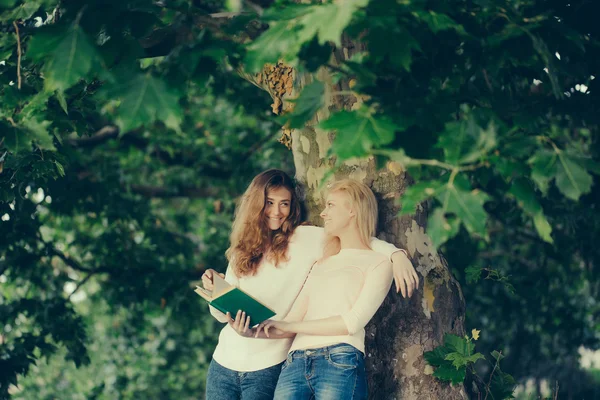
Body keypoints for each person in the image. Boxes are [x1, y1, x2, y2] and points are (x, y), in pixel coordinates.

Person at [201, 170, 418, 400]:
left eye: (284, 204)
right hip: (224, 361)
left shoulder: (305, 238)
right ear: (256, 204)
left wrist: (396, 255)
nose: (276, 212)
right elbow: (219, 314)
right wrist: (216, 289)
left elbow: (358, 238)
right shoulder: (242, 249)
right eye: (269, 203)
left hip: (269, 363)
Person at [256, 179, 399, 399]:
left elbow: (352, 322)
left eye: (330, 205)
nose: (323, 213)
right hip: (295, 362)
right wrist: (249, 329)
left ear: (353, 210)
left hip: (340, 358)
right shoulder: (321, 262)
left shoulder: (379, 262)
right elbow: (291, 319)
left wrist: (398, 254)